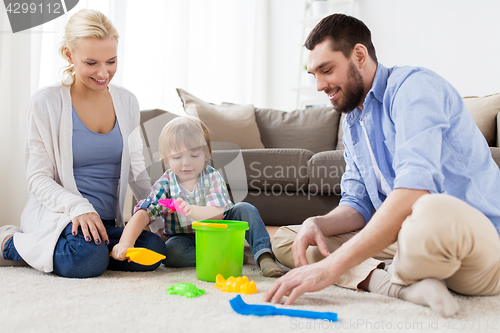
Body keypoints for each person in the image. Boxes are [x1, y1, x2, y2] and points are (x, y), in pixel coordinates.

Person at [264, 13, 500, 317]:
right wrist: (320, 223)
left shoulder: (414, 89)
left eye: (327, 70)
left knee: (426, 209)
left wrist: (331, 270)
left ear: (359, 55)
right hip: (408, 240)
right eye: (314, 75)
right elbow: (358, 204)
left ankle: (390, 270)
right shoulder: (352, 121)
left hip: (475, 244)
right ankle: (399, 285)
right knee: (293, 239)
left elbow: (413, 192)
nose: (320, 85)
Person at [0, 9, 166, 277]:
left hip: (107, 224)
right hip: (62, 218)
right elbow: (37, 178)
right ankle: (11, 242)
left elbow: (136, 171)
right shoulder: (46, 103)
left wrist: (160, 220)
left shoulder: (127, 102)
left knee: (155, 250)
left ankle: (93, 249)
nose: (103, 73)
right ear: (69, 54)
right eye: (91, 63)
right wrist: (78, 207)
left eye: (111, 61)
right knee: (87, 259)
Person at [112, 116, 284, 277]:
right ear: (166, 159)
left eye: (194, 155)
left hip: (219, 230)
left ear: (206, 154)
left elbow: (217, 213)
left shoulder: (212, 176)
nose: (186, 162)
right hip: (185, 237)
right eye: (177, 156)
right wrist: (126, 242)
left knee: (245, 209)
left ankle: (264, 255)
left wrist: (192, 210)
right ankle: (227, 256)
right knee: (171, 252)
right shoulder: (165, 183)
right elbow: (144, 212)